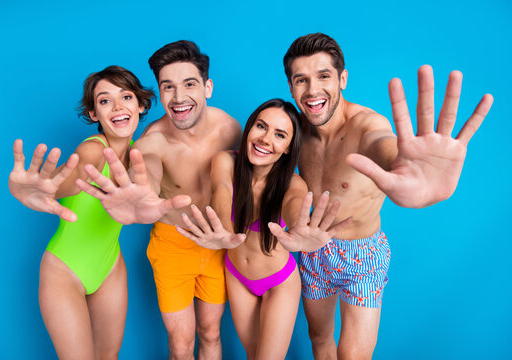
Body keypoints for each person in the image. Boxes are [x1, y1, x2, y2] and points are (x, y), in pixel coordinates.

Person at [268, 33, 494, 359]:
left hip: (363, 255)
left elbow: (384, 145)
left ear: (343, 78)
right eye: (301, 80)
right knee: (319, 338)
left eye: (323, 76)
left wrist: (409, 167)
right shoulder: (296, 131)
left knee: (353, 355)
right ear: (290, 86)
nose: (313, 90)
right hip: (313, 249)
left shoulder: (366, 125)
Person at [8, 66, 189, 359]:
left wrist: (152, 198)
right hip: (64, 270)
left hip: (110, 268)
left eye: (126, 97)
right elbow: (73, 175)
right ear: (94, 114)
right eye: (105, 101)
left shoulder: (139, 156)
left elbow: (150, 182)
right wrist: (47, 188)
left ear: (141, 105)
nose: (117, 106)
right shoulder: (92, 150)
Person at [77, 41, 242, 360]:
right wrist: (141, 195)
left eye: (189, 84)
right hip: (172, 247)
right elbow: (146, 177)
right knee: (181, 344)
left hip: (218, 246)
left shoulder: (231, 128)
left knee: (210, 332)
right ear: (160, 92)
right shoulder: (151, 142)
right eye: (168, 87)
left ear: (207, 87)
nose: (178, 98)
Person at [174, 98, 352, 359]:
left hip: (278, 283)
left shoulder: (293, 184)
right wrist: (222, 229)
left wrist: (300, 228)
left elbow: (294, 208)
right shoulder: (225, 161)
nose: (266, 139)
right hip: (237, 277)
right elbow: (221, 191)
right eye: (261, 126)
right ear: (250, 128)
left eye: (280, 135)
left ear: (289, 148)